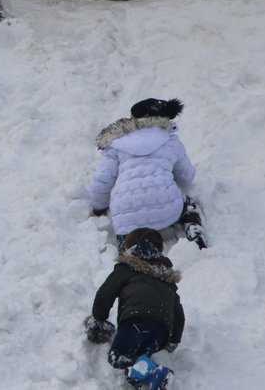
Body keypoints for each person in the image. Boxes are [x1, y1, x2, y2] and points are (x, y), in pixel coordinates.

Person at [89, 98, 206, 251]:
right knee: (188, 204)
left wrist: (99, 208)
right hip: (167, 209)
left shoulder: (117, 144)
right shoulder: (170, 141)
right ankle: (194, 231)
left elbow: (102, 180)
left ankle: (129, 250)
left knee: (129, 244)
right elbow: (187, 177)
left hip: (127, 218)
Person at [84, 228, 183, 390]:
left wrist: (99, 318)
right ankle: (148, 379)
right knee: (137, 361)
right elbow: (179, 315)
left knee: (119, 356)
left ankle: (156, 373)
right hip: (160, 332)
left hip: (137, 321)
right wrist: (173, 340)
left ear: (130, 247)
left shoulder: (127, 268)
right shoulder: (167, 280)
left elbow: (105, 294)